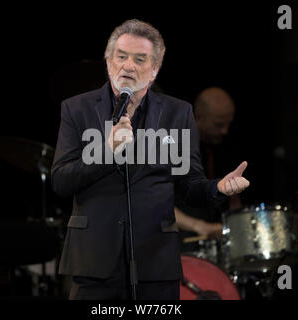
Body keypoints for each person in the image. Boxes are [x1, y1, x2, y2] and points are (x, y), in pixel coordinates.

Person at [51, 19, 250, 300]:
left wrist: (217, 188)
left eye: (139, 59)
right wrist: (106, 152)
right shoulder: (78, 109)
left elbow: (189, 185)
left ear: (154, 69)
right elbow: (61, 180)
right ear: (108, 61)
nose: (128, 66)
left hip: (155, 261)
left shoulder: (177, 114)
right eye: (121, 57)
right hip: (94, 261)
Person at [174, 87, 242, 240]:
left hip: (214, 241)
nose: (225, 131)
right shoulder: (174, 145)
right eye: (219, 125)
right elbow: (153, 200)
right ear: (198, 117)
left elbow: (234, 201)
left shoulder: (223, 146)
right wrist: (199, 226)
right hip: (179, 243)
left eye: (228, 124)